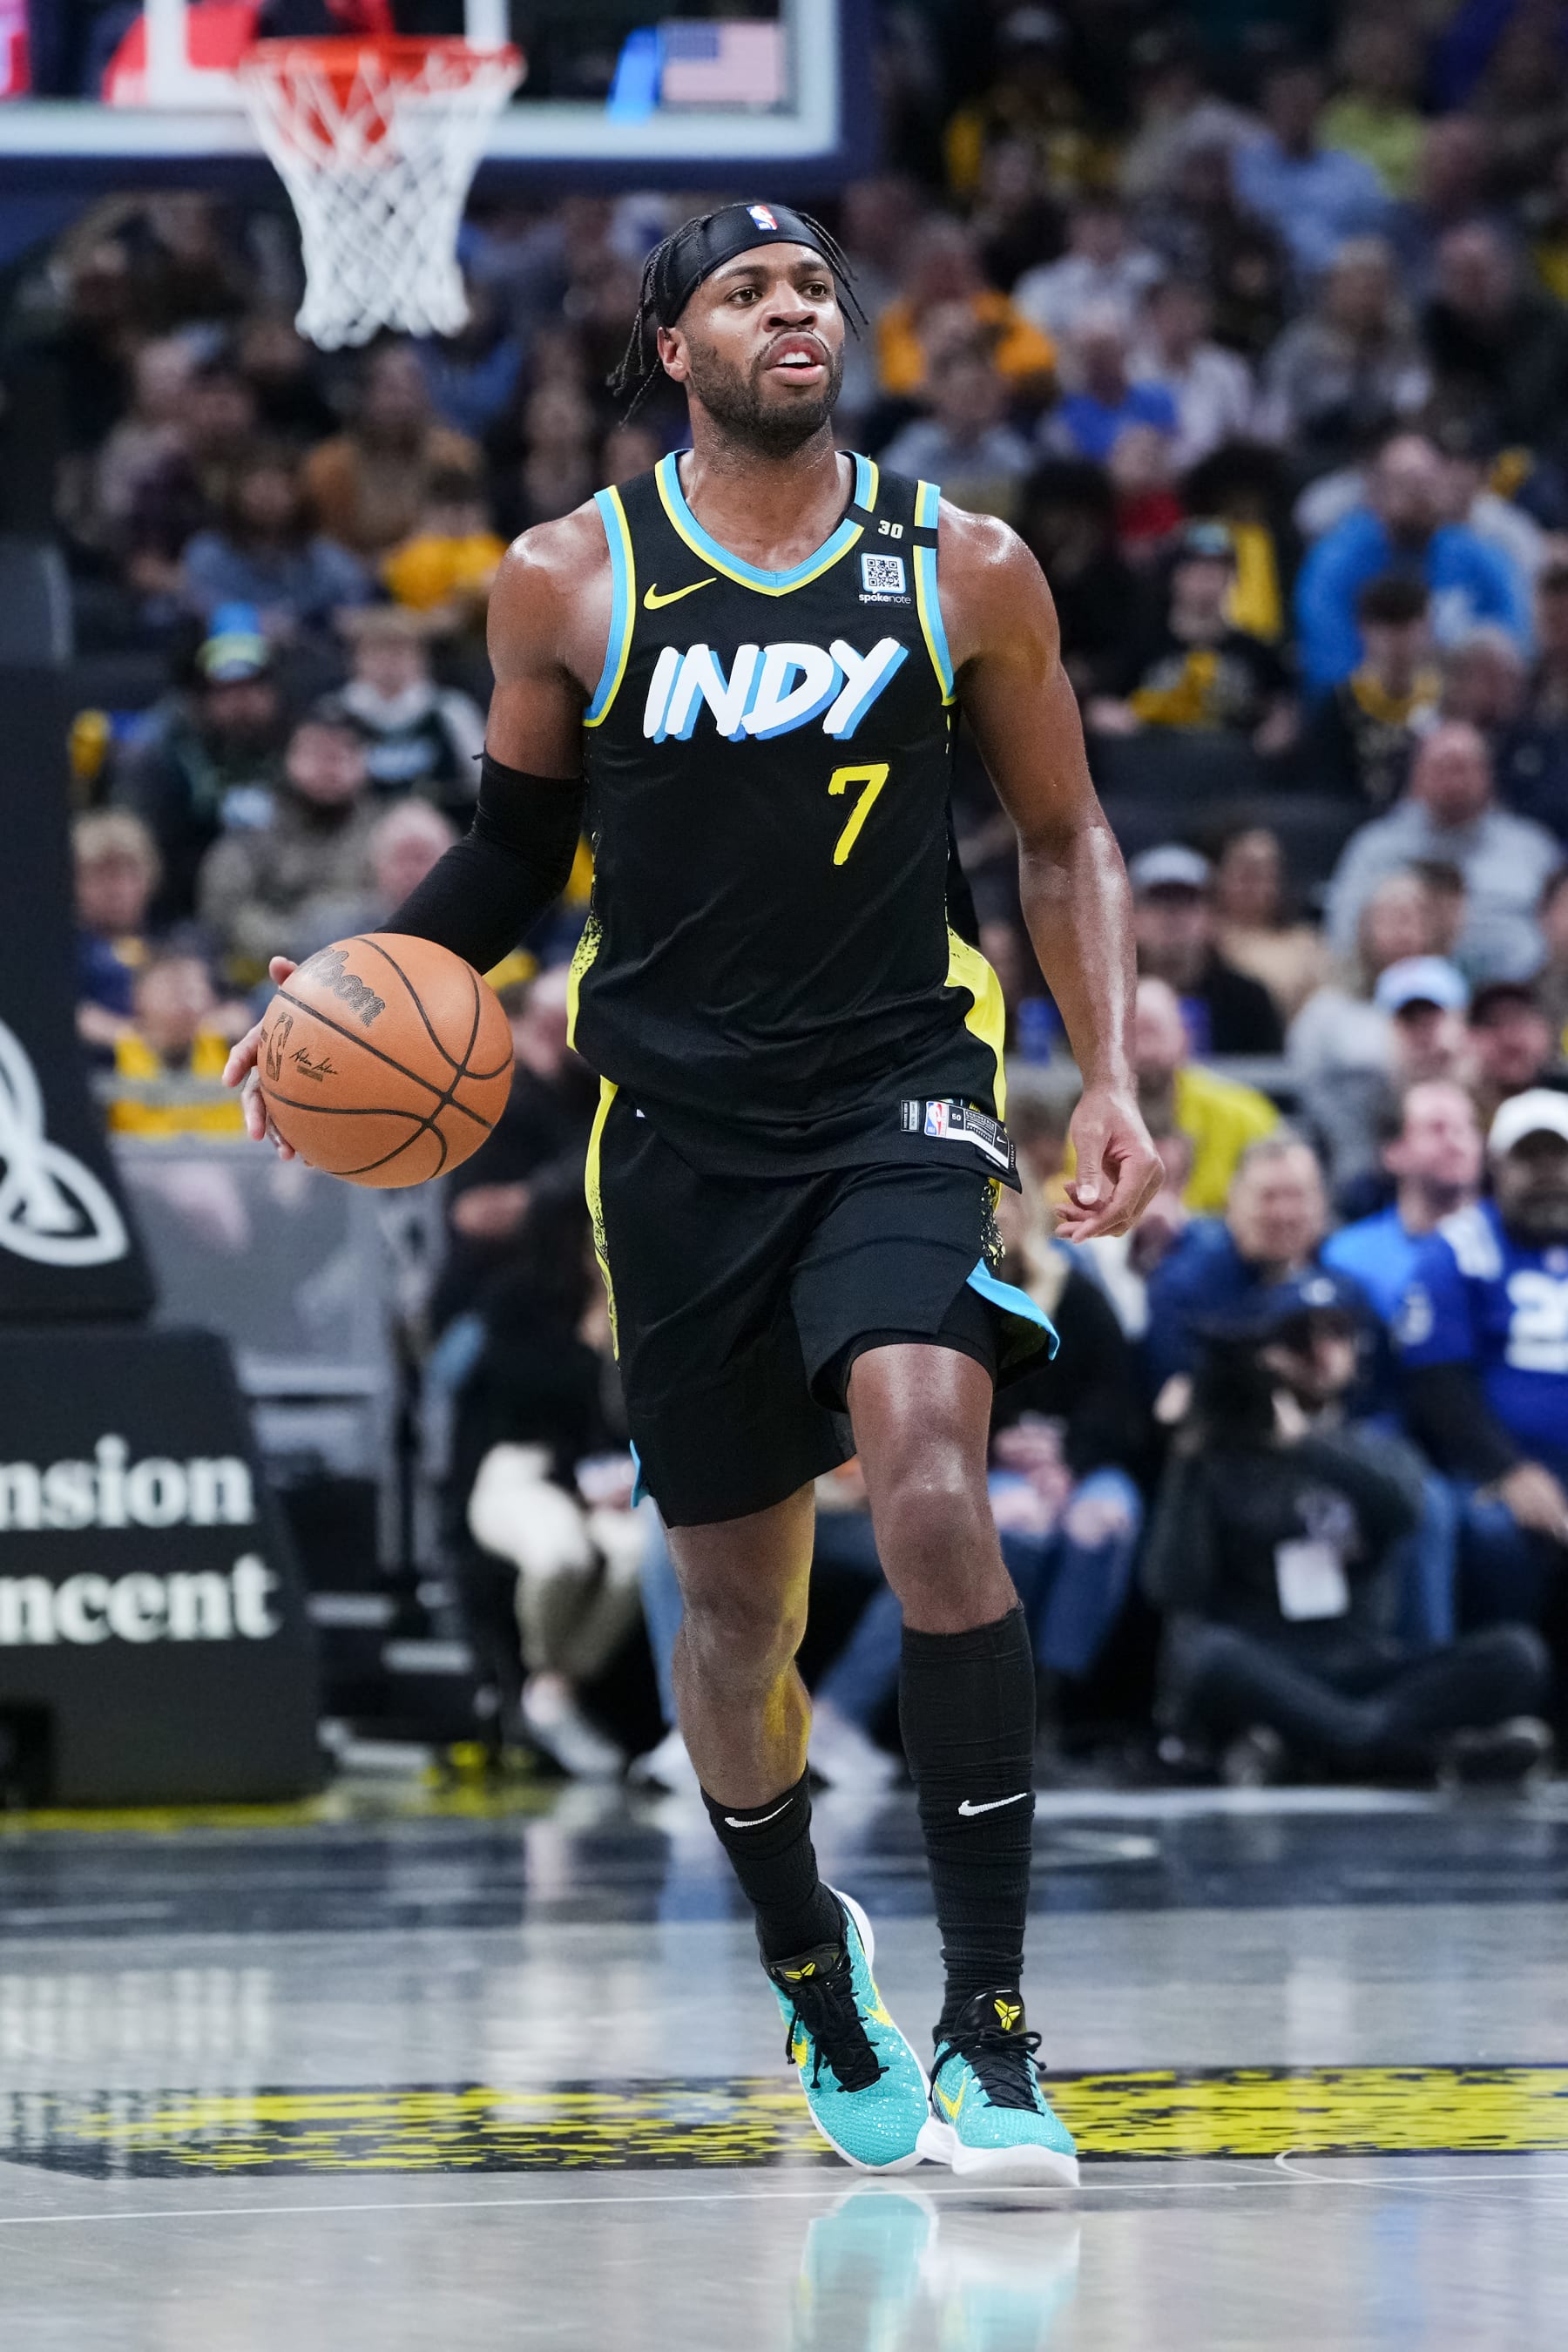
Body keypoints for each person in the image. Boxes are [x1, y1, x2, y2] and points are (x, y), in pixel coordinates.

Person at [226, 199, 1162, 2184]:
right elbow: (505, 860)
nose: (794, 309)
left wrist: (1118, 1081)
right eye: (747, 290)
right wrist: (340, 982)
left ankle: (995, 2030)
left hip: (903, 1079)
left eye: (816, 283)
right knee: (737, 1613)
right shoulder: (570, 582)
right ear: (673, 345)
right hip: (671, 1131)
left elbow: (1067, 835)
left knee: (925, 1476)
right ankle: (817, 1970)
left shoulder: (961, 564)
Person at [1145, 1284, 1551, 1785]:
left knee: (1516, 1654)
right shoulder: (1219, 1459)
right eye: (1298, 1337)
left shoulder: (1375, 1447)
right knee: (1205, 1655)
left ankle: (1318, 1747)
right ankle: (1411, 1753)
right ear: (1263, 1356)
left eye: (1337, 1333)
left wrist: (1304, 1443)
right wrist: (1186, 1456)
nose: (1320, 1352)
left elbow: (1403, 1509)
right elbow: (1172, 1586)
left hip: (1364, 1666)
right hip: (1268, 1667)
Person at [1398, 1092, 1568, 1633]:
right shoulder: (1460, 1247)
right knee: (1497, 1535)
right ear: (1496, 1167)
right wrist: (1508, 1470)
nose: (1549, 1175)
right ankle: (1504, 1701)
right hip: (1495, 1472)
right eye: (1529, 1159)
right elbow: (1437, 1379)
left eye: (1560, 1158)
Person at [1324, 721, 1561, 983]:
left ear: (1488, 775)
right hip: (1400, 998)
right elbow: (1341, 934)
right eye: (1442, 767)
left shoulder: (1534, 849)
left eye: (1463, 767)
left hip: (1519, 999)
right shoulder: (1375, 847)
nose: (1454, 781)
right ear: (1417, 775)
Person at [1294, 434, 1531, 694]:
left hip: (1463, 714)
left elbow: (1516, 641)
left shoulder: (1478, 556)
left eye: (1428, 482)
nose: (1419, 495)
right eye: (1405, 483)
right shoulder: (1336, 562)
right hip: (1363, 715)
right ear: (1376, 491)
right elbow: (1329, 662)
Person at [113, 619, 287, 922]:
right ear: (201, 697)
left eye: (254, 687)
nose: (242, 702)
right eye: (227, 690)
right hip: (183, 904)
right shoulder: (160, 753)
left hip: (283, 891)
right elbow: (148, 848)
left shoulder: (296, 739)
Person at [197, 705, 381, 979]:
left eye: (343, 753)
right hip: (271, 975)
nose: (330, 766)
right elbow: (225, 908)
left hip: (368, 972)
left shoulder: (388, 830)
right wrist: (296, 945)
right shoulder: (256, 825)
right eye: (317, 753)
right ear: (289, 758)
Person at [1144, 1130, 1331, 1397]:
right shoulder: (1182, 1289)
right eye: (1269, 1196)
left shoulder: (1341, 1292)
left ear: (1322, 1203)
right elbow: (1169, 1399)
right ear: (1233, 1200)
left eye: (1297, 1196)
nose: (1283, 1213)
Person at [1085, 522, 1296, 754]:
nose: (1206, 579)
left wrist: (1276, 730)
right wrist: (1127, 722)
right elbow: (1099, 708)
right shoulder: (1140, 645)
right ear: (1174, 577)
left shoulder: (1257, 652)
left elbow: (1284, 710)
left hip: (1232, 774)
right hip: (1156, 772)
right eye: (1194, 569)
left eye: (1217, 569)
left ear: (1232, 578)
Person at [1323, 1079, 1484, 1327]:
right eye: (1437, 1129)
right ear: (1393, 1152)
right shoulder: (1348, 1258)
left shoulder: (1513, 1246)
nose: (1457, 1142)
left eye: (1466, 1128)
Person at [301, 341, 482, 560]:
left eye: (412, 388)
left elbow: (471, 529)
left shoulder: (456, 455)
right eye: (390, 388)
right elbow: (323, 544)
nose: (402, 401)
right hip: (354, 576)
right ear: (364, 394)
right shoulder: (328, 465)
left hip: (435, 570)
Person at [179, 445, 372, 641]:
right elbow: (196, 604)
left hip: (310, 655)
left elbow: (353, 601)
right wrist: (252, 622)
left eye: (279, 488)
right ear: (236, 493)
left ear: (299, 495)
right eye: (257, 488)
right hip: (229, 654)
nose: (268, 499)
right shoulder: (208, 554)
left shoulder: (325, 557)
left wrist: (331, 621)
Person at [1233, 57, 1391, 281]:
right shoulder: (1247, 167)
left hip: (1340, 283)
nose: (1295, 113)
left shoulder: (1354, 172)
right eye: (1285, 102)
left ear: (1321, 107)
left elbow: (1373, 241)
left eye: (1303, 103)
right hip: (1269, 283)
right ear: (1268, 108)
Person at [1129, 843, 1285, 1057]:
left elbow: (1274, 1082)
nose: (1173, 917)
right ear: (1130, 917)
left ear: (1213, 917)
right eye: (1157, 901)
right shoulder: (1101, 1001)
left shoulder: (1248, 1001)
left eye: (1187, 901)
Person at [1300, 573, 1439, 808]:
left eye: (1409, 627)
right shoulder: (1338, 706)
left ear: (1426, 629)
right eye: (1389, 628)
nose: (1400, 642)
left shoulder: (1444, 699)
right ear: (1363, 630)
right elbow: (1324, 791)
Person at [331, 606, 486, 814]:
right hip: (354, 837)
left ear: (422, 658)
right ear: (356, 659)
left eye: (398, 652)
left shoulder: (452, 710)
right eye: (377, 652)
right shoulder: (334, 713)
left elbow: (482, 781)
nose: (388, 663)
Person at [877, 341, 1036, 519]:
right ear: (939, 392)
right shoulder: (913, 456)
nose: (977, 402)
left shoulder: (1011, 453)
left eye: (984, 390)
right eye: (968, 391)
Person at [105, 950, 246, 1139]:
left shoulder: (229, 1041)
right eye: (169, 986)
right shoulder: (112, 1050)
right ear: (138, 996)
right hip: (138, 1163)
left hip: (227, 1161)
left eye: (188, 989)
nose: (181, 999)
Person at [1131, 277, 1255, 475]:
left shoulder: (1228, 369)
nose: (1182, 322)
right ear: (1153, 317)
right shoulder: (1134, 371)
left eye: (1190, 312)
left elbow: (1241, 432)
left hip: (1215, 474)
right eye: (1173, 313)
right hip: (1153, 475)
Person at [1210, 827, 1328, 1022]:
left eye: (1264, 872)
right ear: (1219, 873)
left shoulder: (1305, 946)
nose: (1252, 884)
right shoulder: (1201, 938)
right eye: (1245, 871)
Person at [1011, 193, 1162, 341]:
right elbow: (1031, 345)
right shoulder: (1040, 285)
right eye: (1097, 223)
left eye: (1112, 222)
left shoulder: (1146, 276)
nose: (1105, 234)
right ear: (1072, 230)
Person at [1042, 306, 1177, 466]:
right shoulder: (1065, 415)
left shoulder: (1158, 398)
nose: (1101, 361)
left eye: (1107, 350)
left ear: (1124, 350)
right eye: (1092, 353)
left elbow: (1174, 454)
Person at [73, 808, 163, 1043]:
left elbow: (231, 1012)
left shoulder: (178, 944)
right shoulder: (63, 953)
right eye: (102, 875)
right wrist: (132, 1035)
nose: (118, 889)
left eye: (130, 873)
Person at [1466, 978, 1568, 1129]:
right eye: (1493, 1024)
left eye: (1519, 1021)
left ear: (1544, 1031)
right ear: (1469, 1037)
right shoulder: (1460, 1109)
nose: (1509, 1039)